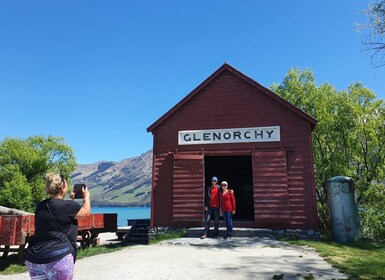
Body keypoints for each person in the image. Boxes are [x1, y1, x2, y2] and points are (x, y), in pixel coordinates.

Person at [25, 173, 91, 280]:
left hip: (35, 259)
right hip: (59, 258)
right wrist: (86, 197)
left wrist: (70, 200)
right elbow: (86, 212)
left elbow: (59, 211)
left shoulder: (41, 206)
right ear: (62, 187)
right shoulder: (69, 207)